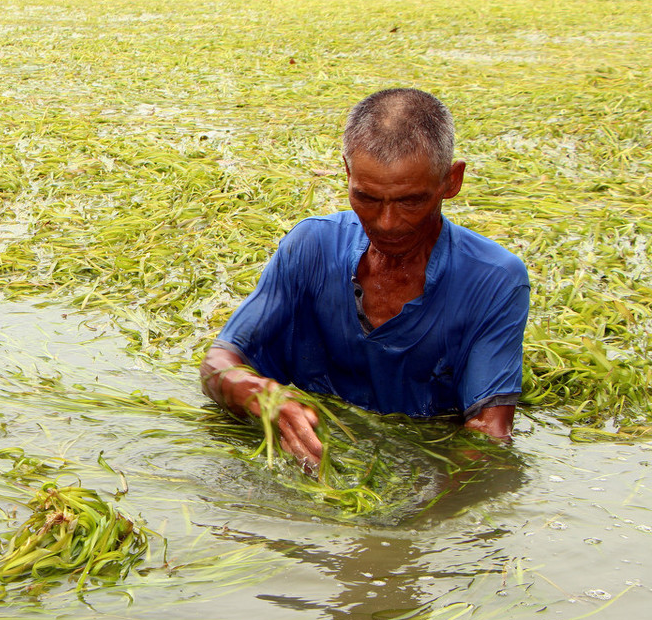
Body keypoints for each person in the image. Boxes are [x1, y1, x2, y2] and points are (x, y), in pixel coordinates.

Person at [200, 88, 529, 471]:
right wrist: (263, 396)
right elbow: (218, 363)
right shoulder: (312, 246)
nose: (387, 224)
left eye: (410, 201)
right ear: (347, 172)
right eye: (368, 198)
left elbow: (489, 434)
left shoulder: (493, 280)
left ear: (451, 181)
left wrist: (413, 517)